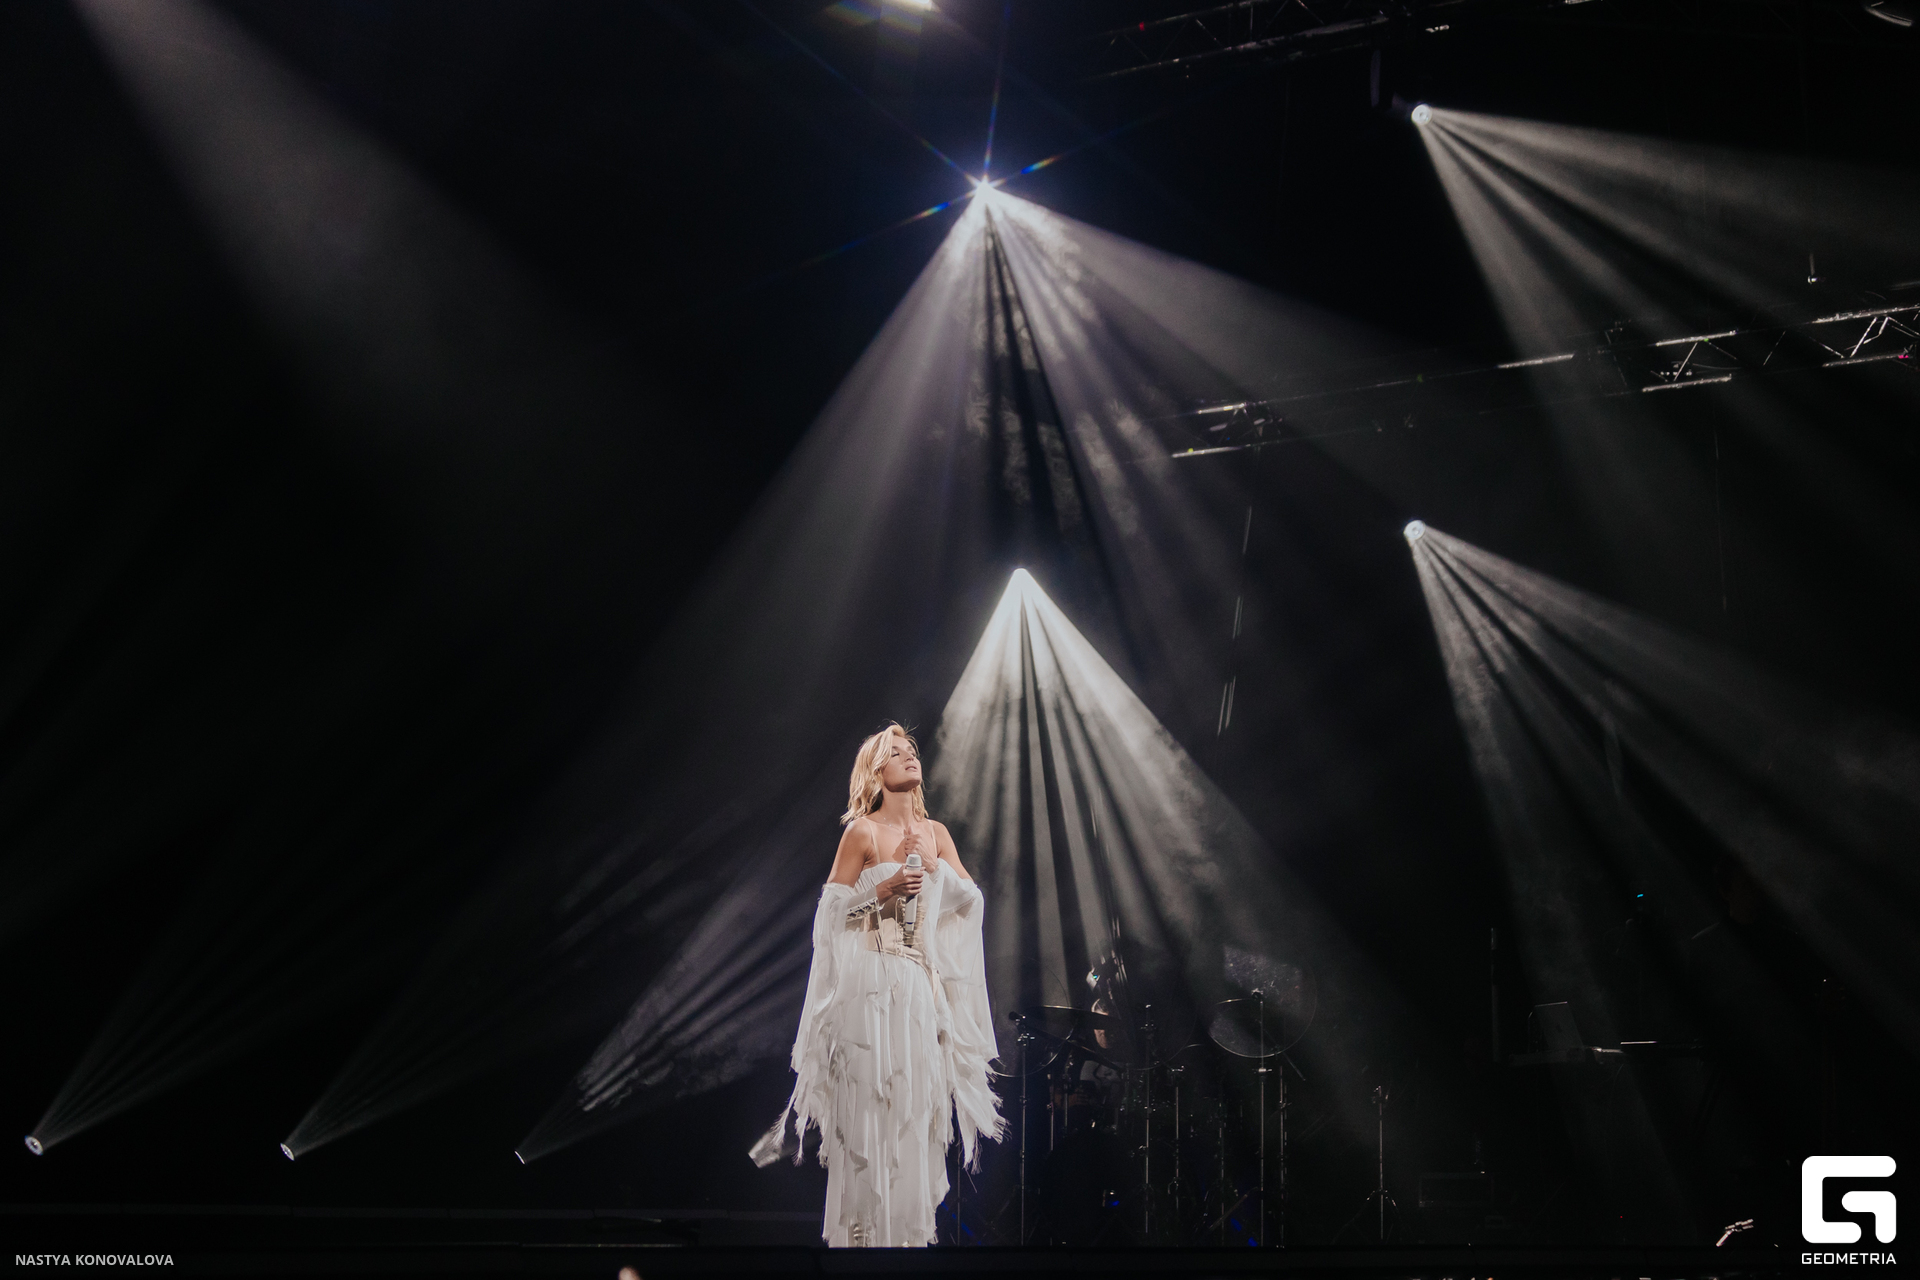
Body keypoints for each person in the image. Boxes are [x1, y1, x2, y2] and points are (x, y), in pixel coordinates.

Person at [751, 723, 1004, 1247]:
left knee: (913, 1120)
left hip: (917, 990)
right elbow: (830, 919)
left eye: (912, 750)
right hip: (869, 988)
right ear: (876, 771)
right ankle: (863, 1250)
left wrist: (935, 869)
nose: (910, 757)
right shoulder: (861, 833)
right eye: (896, 753)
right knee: (870, 1119)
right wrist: (883, 889)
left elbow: (971, 903)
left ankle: (907, 1250)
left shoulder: (936, 834)